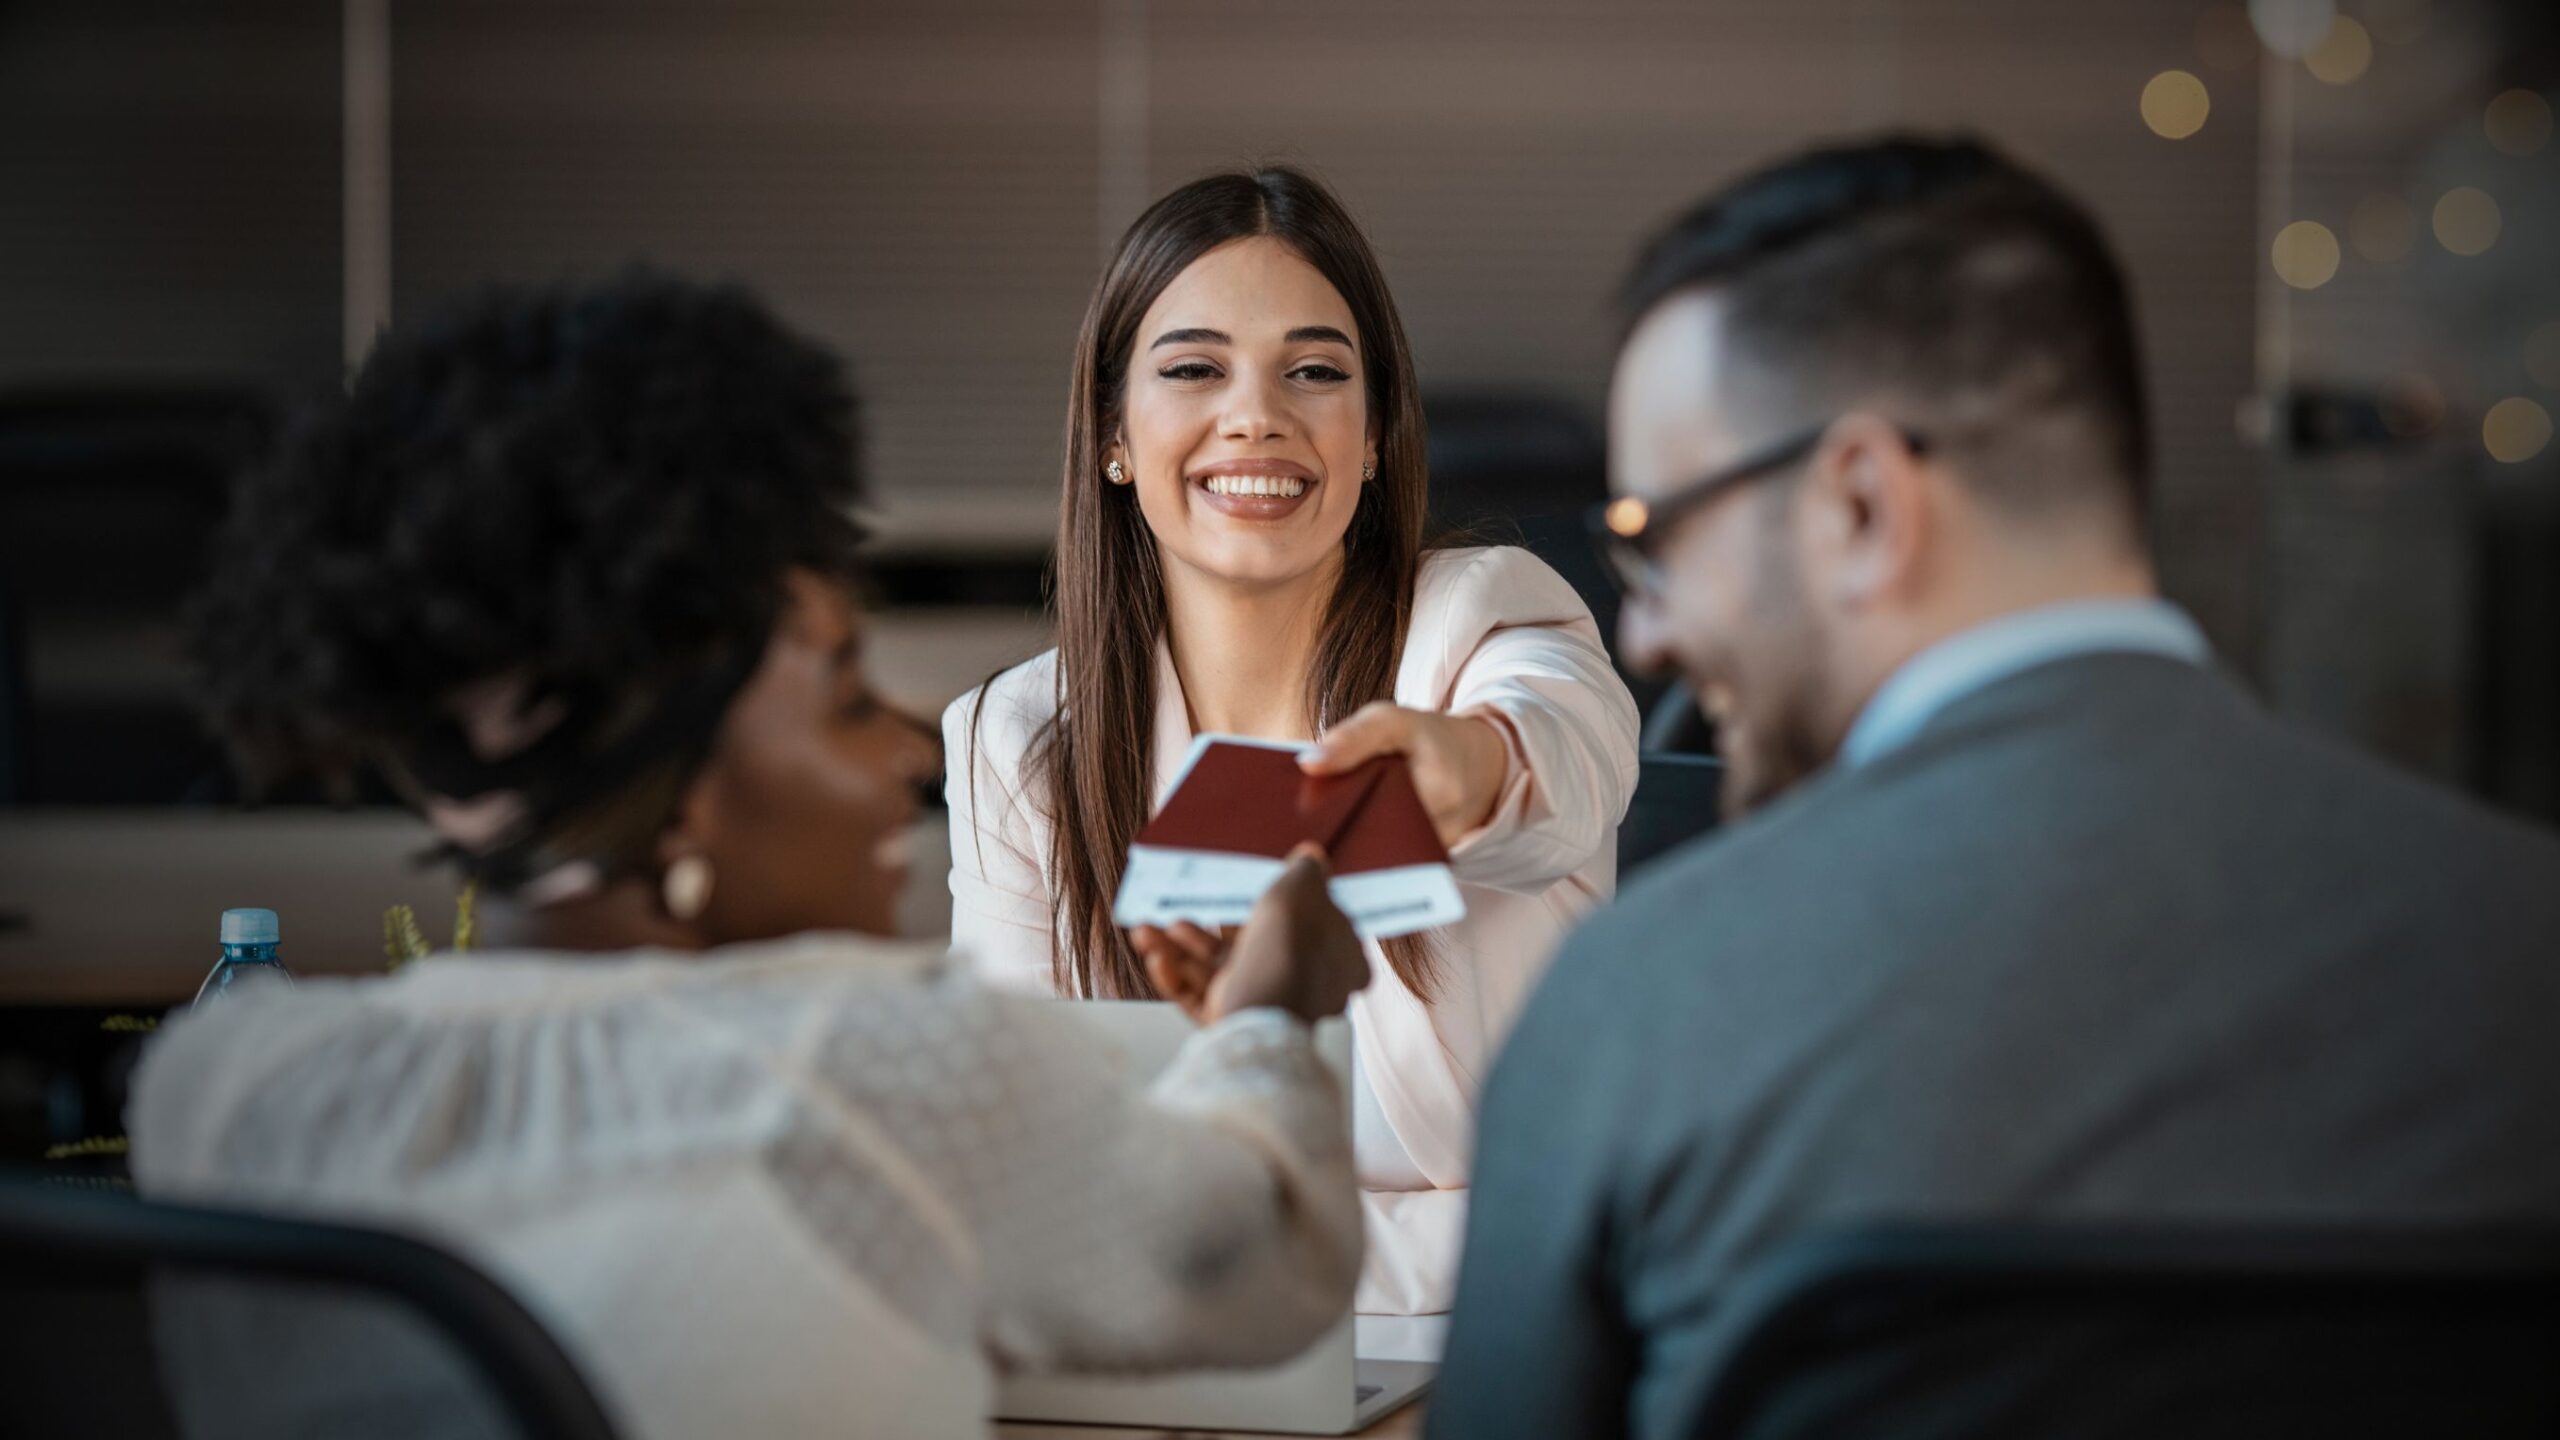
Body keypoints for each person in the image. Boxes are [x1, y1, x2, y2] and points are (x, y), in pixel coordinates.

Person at [1432, 137, 2560, 1438]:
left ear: (1862, 504)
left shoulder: (1642, 1009)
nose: (1647, 638)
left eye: (1657, 538)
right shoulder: (2529, 944)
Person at [133, 271, 1371, 1440]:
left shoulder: (218, 1088)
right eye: (842, 699)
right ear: (679, 808)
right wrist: (1265, 1014)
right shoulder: (897, 1073)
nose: (902, 757)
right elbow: (1265, 1264)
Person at [942, 166, 1640, 1355]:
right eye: (1194, 369)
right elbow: (1025, 1168)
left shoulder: (1486, 624)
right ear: (1115, 438)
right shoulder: (1019, 737)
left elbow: (1564, 765)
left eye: (1314, 371)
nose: (1256, 415)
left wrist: (1461, 771)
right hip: (1181, 1373)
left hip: (1495, 1349)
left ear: (1374, 438)